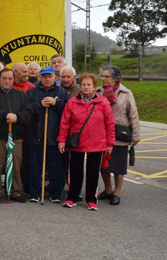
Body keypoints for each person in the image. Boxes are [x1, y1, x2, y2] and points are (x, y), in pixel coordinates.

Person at [58, 73, 115, 210]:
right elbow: (65, 123)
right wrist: (62, 141)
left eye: (89, 84)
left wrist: (110, 143)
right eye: (83, 84)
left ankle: (91, 200)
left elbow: (110, 124)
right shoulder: (72, 102)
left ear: (94, 87)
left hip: (97, 143)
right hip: (77, 143)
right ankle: (72, 197)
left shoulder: (103, 102)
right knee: (75, 172)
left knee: (93, 173)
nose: (86, 87)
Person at [0, 68, 32, 203]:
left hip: (16, 137)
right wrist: (4, 115)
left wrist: (17, 117)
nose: (7, 81)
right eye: (4, 78)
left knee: (16, 165)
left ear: (13, 80)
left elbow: (28, 113)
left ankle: (16, 191)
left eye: (10, 78)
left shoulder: (22, 96)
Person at [97, 65, 140, 206]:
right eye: (102, 76)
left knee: (119, 166)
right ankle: (108, 189)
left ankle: (117, 192)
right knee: (103, 165)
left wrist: (135, 135)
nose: (103, 79)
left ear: (115, 79)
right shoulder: (98, 92)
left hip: (119, 134)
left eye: (106, 76)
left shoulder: (126, 93)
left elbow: (133, 114)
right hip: (101, 134)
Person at [25, 66, 69, 203]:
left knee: (55, 167)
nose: (47, 79)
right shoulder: (32, 92)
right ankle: (34, 193)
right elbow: (27, 111)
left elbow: (68, 111)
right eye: (44, 77)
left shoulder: (62, 92)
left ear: (55, 77)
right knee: (35, 167)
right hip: (36, 135)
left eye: (50, 76)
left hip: (55, 136)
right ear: (40, 78)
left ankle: (55, 194)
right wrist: (40, 105)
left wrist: (56, 103)